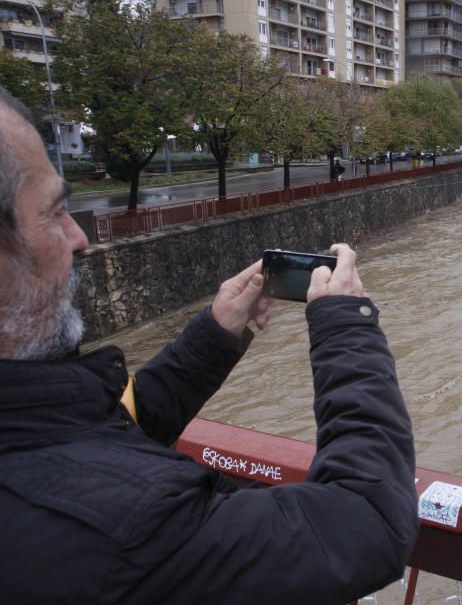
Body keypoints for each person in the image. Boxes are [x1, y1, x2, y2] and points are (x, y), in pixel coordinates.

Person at [0, 86, 419, 604]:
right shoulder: (131, 523)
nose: (79, 236)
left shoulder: (32, 437)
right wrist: (347, 329)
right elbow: (368, 522)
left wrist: (212, 339)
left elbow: (97, 438)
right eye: (52, 213)